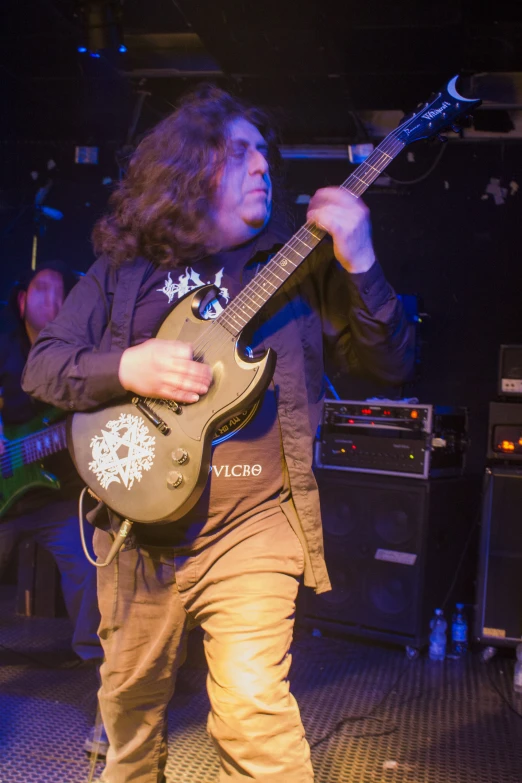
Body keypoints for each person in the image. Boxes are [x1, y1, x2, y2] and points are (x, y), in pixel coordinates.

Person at [22, 85, 414, 783]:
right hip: (137, 537)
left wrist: (361, 257)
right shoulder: (123, 272)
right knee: (129, 722)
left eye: (265, 153)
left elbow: (390, 364)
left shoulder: (298, 265)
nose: (262, 165)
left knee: (255, 713)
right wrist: (128, 366)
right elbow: (44, 368)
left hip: (253, 529)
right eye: (240, 153)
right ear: (187, 167)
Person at [0, 261, 103, 664]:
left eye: (62, 293)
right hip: (7, 498)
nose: (54, 300)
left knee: (92, 565)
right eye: (43, 290)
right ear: (22, 300)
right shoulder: (5, 345)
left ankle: (96, 663)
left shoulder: (82, 353)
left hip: (59, 497)